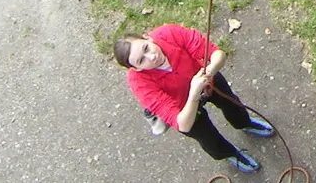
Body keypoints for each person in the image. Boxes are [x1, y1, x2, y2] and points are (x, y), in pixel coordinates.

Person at [114, 24, 274, 173]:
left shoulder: (168, 33)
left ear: (147, 37)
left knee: (232, 103)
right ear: (136, 69)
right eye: (141, 60)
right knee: (207, 136)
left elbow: (217, 54)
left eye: (146, 48)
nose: (152, 57)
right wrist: (193, 94)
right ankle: (228, 153)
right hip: (185, 108)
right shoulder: (140, 84)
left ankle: (244, 123)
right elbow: (182, 124)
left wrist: (209, 72)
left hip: (206, 79)